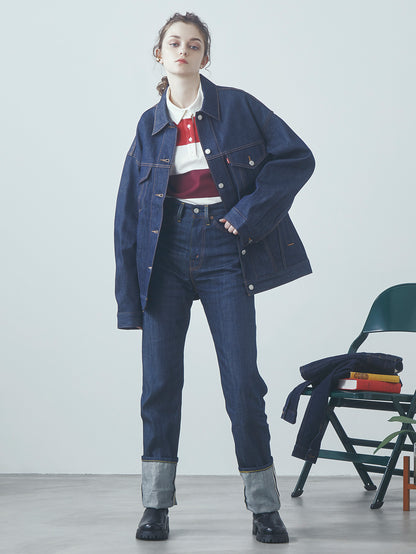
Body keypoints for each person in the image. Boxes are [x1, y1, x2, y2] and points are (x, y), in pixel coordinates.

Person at [114, 12, 315, 544]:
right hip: (164, 257)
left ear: (206, 56)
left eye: (194, 44)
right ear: (159, 54)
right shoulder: (147, 126)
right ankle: (155, 505)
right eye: (174, 43)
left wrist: (247, 214)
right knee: (159, 384)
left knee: (242, 382)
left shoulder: (239, 107)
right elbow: (129, 215)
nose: (183, 50)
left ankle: (264, 507)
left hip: (226, 251)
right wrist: (129, 299)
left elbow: (296, 158)